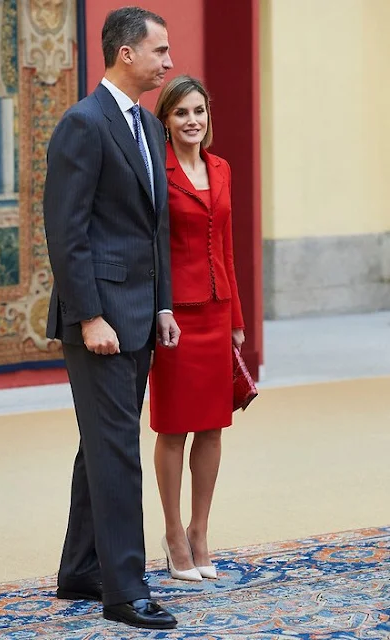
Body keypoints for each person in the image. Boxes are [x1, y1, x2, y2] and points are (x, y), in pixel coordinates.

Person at [43, 7, 180, 630]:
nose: (169, 63)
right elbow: (65, 233)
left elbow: (155, 227)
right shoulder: (82, 123)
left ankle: (81, 568)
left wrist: (164, 305)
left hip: (141, 316)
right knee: (119, 450)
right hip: (99, 324)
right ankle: (125, 590)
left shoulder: (148, 128)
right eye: (160, 51)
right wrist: (90, 317)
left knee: (100, 446)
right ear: (127, 53)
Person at [149, 75, 245, 582]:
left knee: (212, 425)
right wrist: (157, 308)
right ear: (165, 119)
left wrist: (236, 320)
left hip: (216, 310)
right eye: (182, 112)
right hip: (174, 316)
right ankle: (170, 534)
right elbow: (150, 247)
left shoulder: (222, 169)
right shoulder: (155, 173)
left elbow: (228, 245)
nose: (192, 121)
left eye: (199, 112)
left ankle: (200, 531)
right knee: (173, 425)